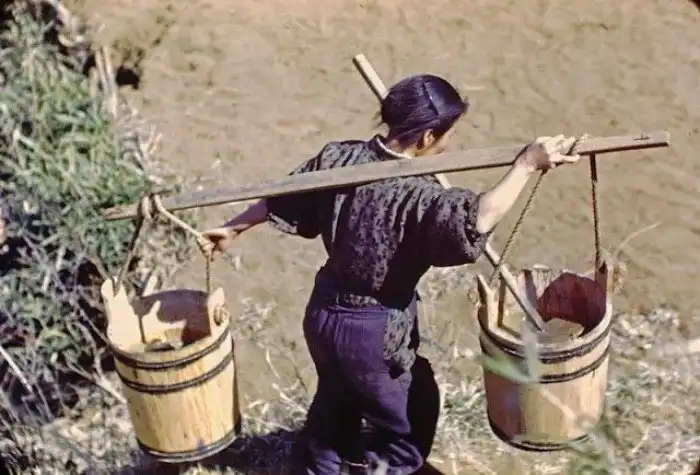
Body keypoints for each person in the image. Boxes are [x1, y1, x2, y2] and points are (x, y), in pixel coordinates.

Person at [199, 74, 582, 475]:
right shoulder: (419, 196)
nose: (449, 143)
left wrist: (234, 228)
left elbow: (286, 196)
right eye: (448, 134)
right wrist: (525, 165)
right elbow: (478, 218)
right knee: (410, 415)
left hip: (323, 315)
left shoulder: (338, 159)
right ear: (427, 137)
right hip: (372, 332)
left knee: (336, 402)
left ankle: (320, 465)